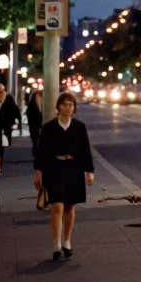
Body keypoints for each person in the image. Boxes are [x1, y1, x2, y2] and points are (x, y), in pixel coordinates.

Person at [33, 92, 94, 262]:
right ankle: (56, 244)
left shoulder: (79, 127)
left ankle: (67, 241)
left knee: (70, 208)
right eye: (65, 104)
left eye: (71, 105)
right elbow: (40, 152)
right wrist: (37, 172)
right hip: (54, 169)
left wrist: (90, 171)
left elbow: (85, 150)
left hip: (74, 169)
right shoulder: (48, 128)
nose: (68, 108)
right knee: (57, 206)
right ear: (58, 106)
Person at [0, 82, 22, 178]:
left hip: (4, 131)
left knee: (0, 150)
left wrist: (13, 125)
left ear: (4, 92)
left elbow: (17, 115)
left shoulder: (9, 102)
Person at [25, 88, 43, 158]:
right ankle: (35, 151)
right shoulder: (32, 105)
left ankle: (36, 151)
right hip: (34, 124)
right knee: (35, 138)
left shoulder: (42, 103)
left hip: (39, 124)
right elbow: (29, 113)